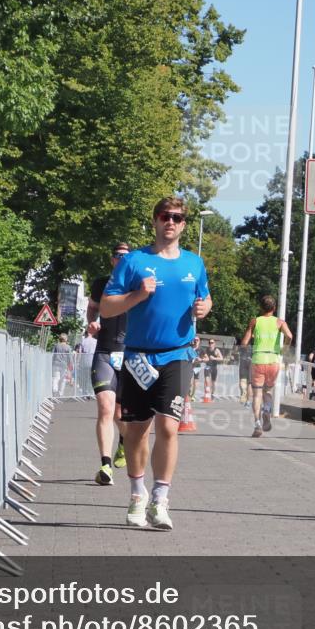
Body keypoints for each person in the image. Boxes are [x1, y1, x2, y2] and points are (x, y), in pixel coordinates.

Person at [100, 198, 211, 531]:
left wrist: (204, 308)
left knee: (168, 427)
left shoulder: (195, 263)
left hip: (177, 354)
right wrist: (137, 295)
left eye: (177, 218)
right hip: (138, 357)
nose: (171, 222)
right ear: (155, 221)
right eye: (165, 216)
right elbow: (106, 307)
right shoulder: (134, 261)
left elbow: (204, 297)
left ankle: (161, 499)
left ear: (184, 224)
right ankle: (137, 495)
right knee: (136, 432)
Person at [86, 241, 131, 486]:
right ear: (112, 259)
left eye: (126, 255)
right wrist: (91, 323)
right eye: (117, 255)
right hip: (104, 351)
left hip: (129, 354)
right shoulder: (101, 283)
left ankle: (123, 444)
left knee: (120, 415)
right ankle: (105, 465)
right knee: (105, 408)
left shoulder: (138, 284)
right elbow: (92, 310)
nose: (121, 258)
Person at [240, 294, 293, 438]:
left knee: (257, 394)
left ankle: (257, 424)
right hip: (273, 360)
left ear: (260, 307)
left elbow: (244, 343)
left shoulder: (255, 321)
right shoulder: (279, 322)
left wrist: (249, 340)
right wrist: (284, 349)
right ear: (274, 308)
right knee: (268, 392)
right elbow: (289, 336)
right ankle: (267, 410)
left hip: (258, 359)